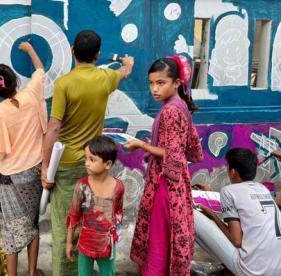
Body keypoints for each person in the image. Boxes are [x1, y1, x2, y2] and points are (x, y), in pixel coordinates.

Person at [41, 29, 134, 276]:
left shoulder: (64, 84)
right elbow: (124, 73)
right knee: (91, 222)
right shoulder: (105, 78)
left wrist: (44, 167)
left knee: (65, 225)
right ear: (98, 54)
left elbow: (53, 128)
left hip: (66, 163)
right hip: (94, 164)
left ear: (73, 51)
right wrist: (128, 63)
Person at [125, 56, 203, 275]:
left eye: (161, 83)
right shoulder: (180, 106)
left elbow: (172, 154)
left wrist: (141, 144)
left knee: (158, 238)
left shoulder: (170, 111)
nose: (154, 89)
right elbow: (187, 149)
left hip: (165, 185)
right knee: (167, 239)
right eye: (151, 83)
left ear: (176, 82)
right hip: (176, 183)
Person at [0, 41, 45, 276]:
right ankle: (31, 272)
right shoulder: (31, 95)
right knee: (32, 223)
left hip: (11, 177)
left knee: (11, 228)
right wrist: (29, 49)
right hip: (35, 172)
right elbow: (40, 71)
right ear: (15, 81)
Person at [197, 148, 281, 276]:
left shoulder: (228, 191)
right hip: (277, 269)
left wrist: (213, 216)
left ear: (233, 172)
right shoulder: (262, 189)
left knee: (193, 216)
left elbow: (236, 241)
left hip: (251, 270)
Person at [66, 136, 125, 276]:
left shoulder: (119, 187)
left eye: (92, 159)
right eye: (85, 158)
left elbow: (118, 213)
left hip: (107, 245)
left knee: (108, 273)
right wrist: (69, 243)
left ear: (108, 164)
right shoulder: (82, 186)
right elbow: (74, 214)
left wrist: (114, 234)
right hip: (85, 243)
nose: (86, 163)